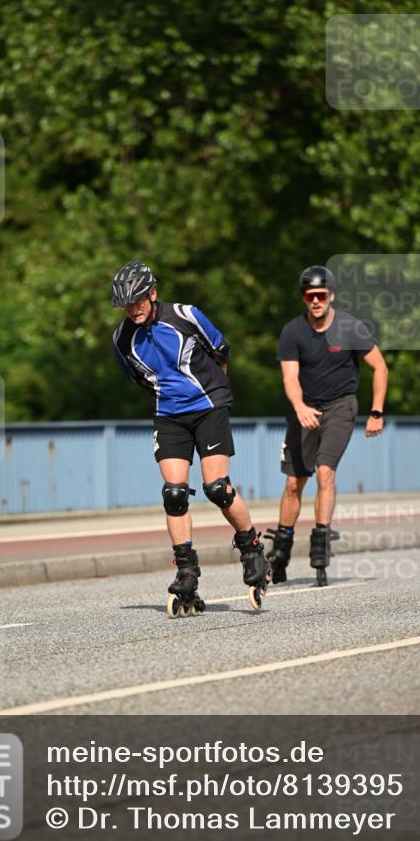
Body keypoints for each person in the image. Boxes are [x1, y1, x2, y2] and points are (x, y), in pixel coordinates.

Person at [110, 260, 270, 616]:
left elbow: (220, 350)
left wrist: (211, 390)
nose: (133, 308)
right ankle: (186, 572)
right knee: (174, 493)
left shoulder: (185, 315)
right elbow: (140, 379)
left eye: (138, 299)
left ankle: (251, 546)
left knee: (217, 487)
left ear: (152, 294)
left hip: (209, 405)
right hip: (169, 415)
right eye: (126, 304)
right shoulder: (122, 340)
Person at [264, 265, 389, 587]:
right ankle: (281, 551)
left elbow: (380, 368)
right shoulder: (293, 332)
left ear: (331, 296)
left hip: (340, 406)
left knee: (325, 472)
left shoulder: (350, 328)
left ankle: (320, 543)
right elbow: (289, 378)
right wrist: (300, 407)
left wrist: (376, 412)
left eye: (321, 295)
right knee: (294, 482)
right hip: (305, 409)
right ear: (305, 298)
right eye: (310, 296)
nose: (316, 301)